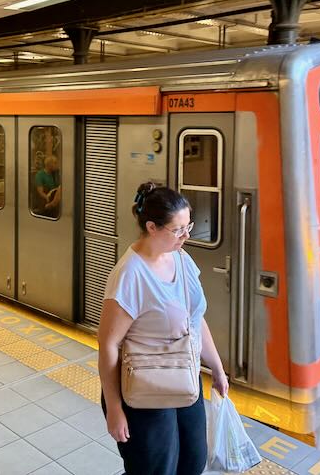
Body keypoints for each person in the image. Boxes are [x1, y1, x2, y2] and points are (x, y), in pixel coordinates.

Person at [98, 182, 229, 475]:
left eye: (188, 226)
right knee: (155, 469)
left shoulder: (182, 260)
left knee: (193, 461)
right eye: (178, 229)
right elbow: (107, 344)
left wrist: (217, 369)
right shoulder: (129, 275)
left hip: (184, 375)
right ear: (152, 227)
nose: (186, 236)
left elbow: (195, 319)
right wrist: (115, 409)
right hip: (145, 384)